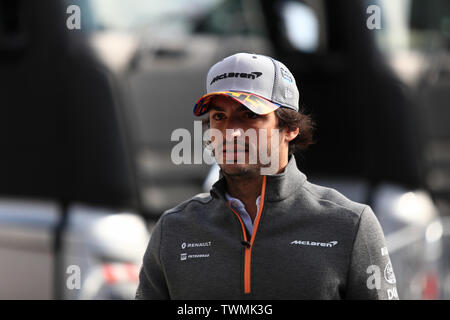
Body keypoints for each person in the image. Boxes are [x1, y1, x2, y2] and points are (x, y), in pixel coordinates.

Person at [136, 52, 398, 300]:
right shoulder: (173, 229)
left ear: (291, 127)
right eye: (219, 116)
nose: (231, 132)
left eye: (249, 115)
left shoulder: (350, 224)